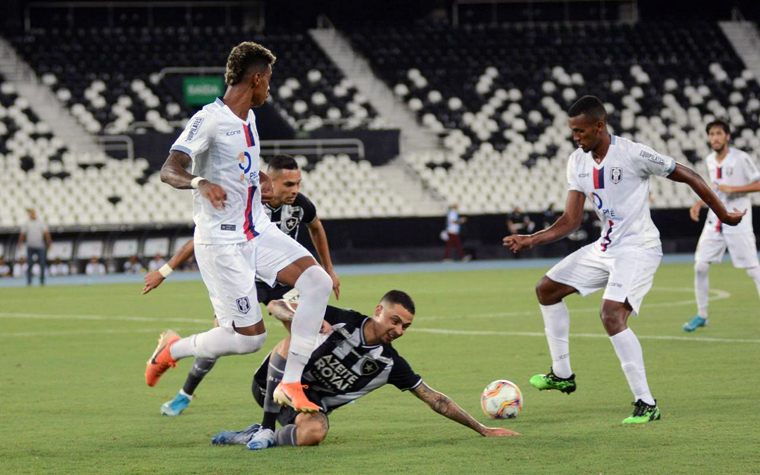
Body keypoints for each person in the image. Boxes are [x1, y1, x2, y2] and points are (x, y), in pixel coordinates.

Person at [503, 96, 744, 424]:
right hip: (606, 247)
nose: (576, 137)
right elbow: (571, 220)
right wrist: (532, 239)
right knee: (546, 289)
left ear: (599, 126)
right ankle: (562, 374)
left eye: (581, 131)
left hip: (639, 248)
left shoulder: (633, 153)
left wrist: (724, 215)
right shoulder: (578, 161)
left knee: (611, 314)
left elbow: (688, 175)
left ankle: (646, 403)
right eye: (573, 131)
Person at [147, 41, 333, 415]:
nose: (270, 89)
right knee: (249, 341)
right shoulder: (209, 119)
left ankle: (291, 383)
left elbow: (242, 167)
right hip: (222, 243)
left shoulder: (247, 118)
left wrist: (260, 180)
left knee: (318, 282)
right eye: (269, 82)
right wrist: (201, 183)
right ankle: (172, 349)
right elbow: (169, 168)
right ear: (258, 78)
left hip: (256, 230)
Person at [143, 154, 341, 416]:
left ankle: (295, 387)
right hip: (243, 274)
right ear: (270, 182)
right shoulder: (249, 203)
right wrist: (165, 270)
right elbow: (199, 239)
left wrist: (328, 268)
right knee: (225, 334)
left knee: (308, 327)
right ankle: (185, 392)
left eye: (298, 184)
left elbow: (316, 227)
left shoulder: (300, 205)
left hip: (278, 274)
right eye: (288, 185)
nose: (295, 190)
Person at [212, 290, 519, 450]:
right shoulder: (341, 318)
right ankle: (266, 427)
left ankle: (254, 436)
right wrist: (297, 320)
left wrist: (483, 428)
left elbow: (434, 399)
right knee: (293, 338)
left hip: (304, 408)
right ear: (378, 312)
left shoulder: (390, 364)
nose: (398, 330)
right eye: (394, 321)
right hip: (271, 386)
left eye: (405, 326)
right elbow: (276, 306)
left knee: (316, 432)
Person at [684, 119, 760, 331]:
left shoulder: (741, 158)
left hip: (738, 221)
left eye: (718, 133)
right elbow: (716, 189)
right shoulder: (710, 160)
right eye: (711, 134)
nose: (714, 138)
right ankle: (702, 315)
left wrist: (734, 189)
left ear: (727, 136)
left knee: (754, 271)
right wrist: (700, 202)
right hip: (714, 221)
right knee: (699, 266)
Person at [18, 208, 51, 286]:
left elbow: (46, 233)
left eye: (33, 213)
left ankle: (42, 281)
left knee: (42, 264)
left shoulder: (41, 222)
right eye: (31, 213)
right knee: (30, 264)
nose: (32, 214)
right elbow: (22, 234)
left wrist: (49, 243)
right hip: (30, 246)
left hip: (40, 246)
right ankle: (29, 281)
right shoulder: (26, 223)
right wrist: (20, 244)